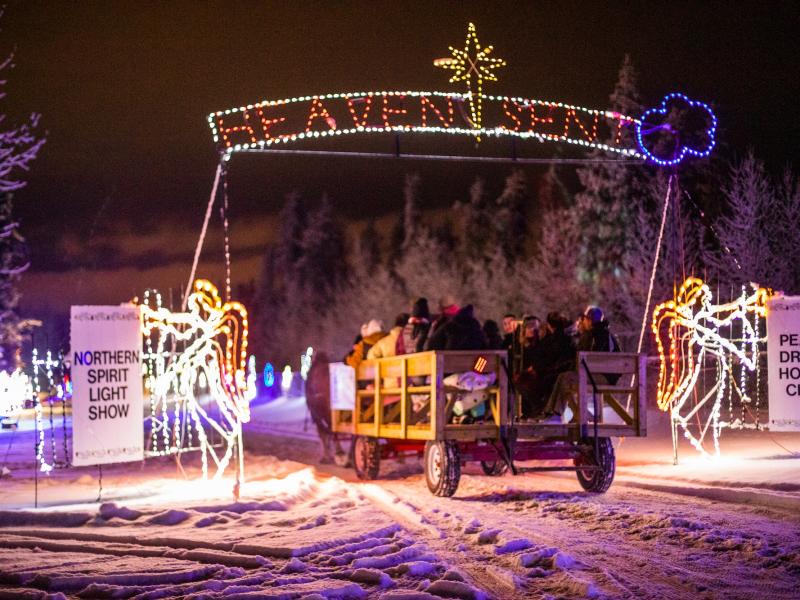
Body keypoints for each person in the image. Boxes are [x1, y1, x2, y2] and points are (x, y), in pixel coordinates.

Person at [543, 305, 620, 421]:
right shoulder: (608, 335)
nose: (582, 322)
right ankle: (569, 414)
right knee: (565, 377)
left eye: (583, 319)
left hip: (599, 377)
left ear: (589, 321)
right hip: (607, 376)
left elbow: (581, 360)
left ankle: (555, 414)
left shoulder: (591, 335)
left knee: (565, 378)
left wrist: (561, 368)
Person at [305, 351, 344, 464]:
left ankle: (327, 453)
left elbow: (308, 390)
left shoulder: (313, 372)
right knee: (333, 423)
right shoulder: (332, 369)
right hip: (335, 400)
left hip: (317, 402)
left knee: (320, 424)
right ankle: (337, 447)